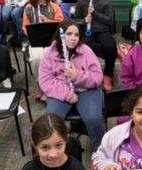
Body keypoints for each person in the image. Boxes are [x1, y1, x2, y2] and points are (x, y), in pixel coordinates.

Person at [39, 20, 105, 161]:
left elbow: (98, 78)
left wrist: (76, 75)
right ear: (60, 36)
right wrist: (68, 95)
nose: (73, 38)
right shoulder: (50, 54)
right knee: (52, 120)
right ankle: (57, 151)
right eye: (69, 34)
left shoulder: (86, 51)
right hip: (61, 91)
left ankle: (99, 151)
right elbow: (46, 81)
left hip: (87, 89)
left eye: (76, 34)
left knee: (93, 118)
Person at [23, 0, 64, 101]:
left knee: (48, 56)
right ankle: (40, 83)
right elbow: (25, 26)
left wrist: (48, 21)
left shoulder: (54, 6)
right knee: (36, 58)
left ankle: (49, 84)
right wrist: (32, 32)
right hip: (36, 41)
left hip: (51, 40)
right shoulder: (29, 8)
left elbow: (61, 24)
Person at [75, 0, 116, 92]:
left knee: (111, 46)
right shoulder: (82, 1)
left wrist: (95, 14)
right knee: (84, 48)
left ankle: (108, 74)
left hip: (103, 31)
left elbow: (109, 21)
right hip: (88, 31)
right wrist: (83, 21)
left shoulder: (105, 1)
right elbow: (76, 19)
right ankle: (89, 73)